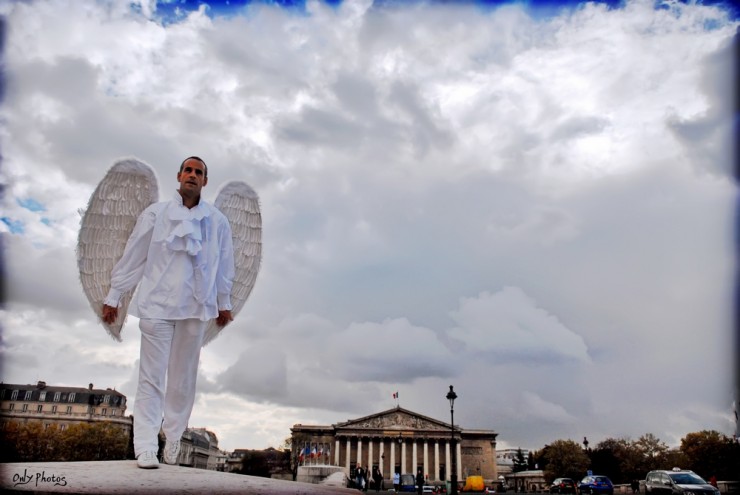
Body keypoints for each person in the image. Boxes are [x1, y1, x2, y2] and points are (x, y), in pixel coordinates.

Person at [102, 156, 235, 469]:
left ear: (204, 181)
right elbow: (134, 254)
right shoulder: (156, 213)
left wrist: (224, 302)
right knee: (150, 378)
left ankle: (173, 438)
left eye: (198, 172)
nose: (192, 175)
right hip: (156, 304)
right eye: (188, 170)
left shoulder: (217, 221)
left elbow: (225, 265)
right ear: (179, 176)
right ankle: (146, 446)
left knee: (182, 379)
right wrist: (115, 294)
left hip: (196, 308)